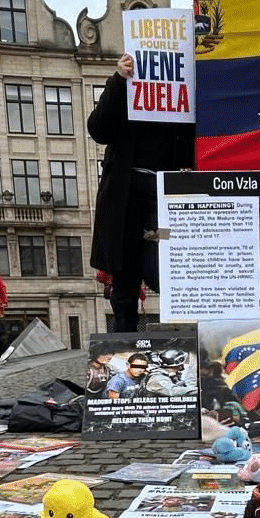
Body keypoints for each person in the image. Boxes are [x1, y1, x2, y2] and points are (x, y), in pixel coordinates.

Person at [88, 53, 195, 332]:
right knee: (123, 272)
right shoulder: (124, 85)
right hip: (125, 196)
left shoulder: (183, 88)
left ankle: (181, 333)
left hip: (164, 198)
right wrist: (118, 80)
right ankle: (125, 338)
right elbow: (98, 129)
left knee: (161, 264)